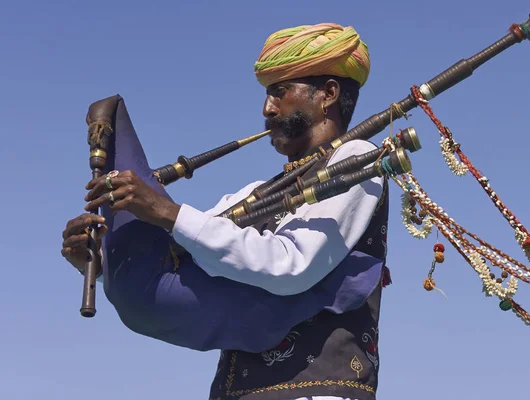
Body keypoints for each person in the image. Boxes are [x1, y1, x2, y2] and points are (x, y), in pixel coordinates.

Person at [61, 23, 390, 400]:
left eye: (280, 92)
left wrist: (166, 212)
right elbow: (184, 258)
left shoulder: (359, 158)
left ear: (327, 94)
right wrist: (104, 265)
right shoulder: (256, 192)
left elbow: (293, 265)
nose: (267, 108)